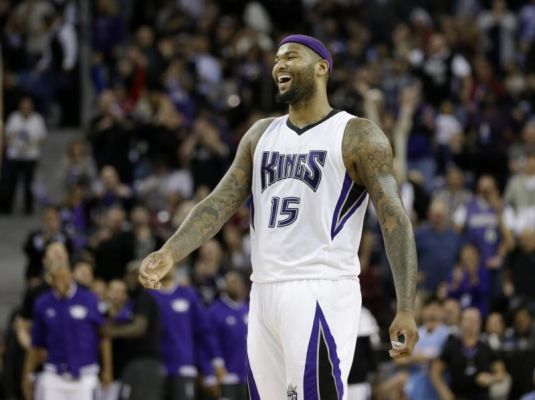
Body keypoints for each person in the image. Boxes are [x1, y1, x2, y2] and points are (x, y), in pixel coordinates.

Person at [139, 34, 419, 399]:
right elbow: (219, 202)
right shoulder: (260, 135)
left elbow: (394, 219)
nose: (279, 65)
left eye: (291, 57)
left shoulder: (357, 135)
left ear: (322, 68)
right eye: (276, 59)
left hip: (321, 286)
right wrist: (170, 251)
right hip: (264, 290)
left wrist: (407, 307)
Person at [21, 261, 112, 400]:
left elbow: (104, 336)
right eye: (56, 278)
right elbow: (36, 343)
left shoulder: (89, 299)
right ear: (50, 280)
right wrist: (28, 374)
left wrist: (107, 369)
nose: (61, 282)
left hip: (85, 374)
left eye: (64, 277)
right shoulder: (43, 303)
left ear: (71, 275)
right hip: (54, 374)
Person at [431, 307, 508, 400]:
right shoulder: (452, 346)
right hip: (458, 396)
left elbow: (501, 372)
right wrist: (444, 392)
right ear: (461, 322)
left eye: (476, 320)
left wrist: (491, 378)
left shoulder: (486, 347)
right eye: (469, 320)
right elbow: (435, 371)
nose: (473, 323)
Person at [208, 271, 250, 400]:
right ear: (224, 286)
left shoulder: (248, 309)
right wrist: (217, 365)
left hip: (247, 375)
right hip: (227, 373)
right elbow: (211, 340)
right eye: (231, 282)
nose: (235, 286)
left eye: (238, 282)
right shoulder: (215, 311)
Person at [3, 95, 47, 214]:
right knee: (10, 182)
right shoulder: (14, 118)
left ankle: (28, 208)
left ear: (31, 107)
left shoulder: (38, 119)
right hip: (14, 156)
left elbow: (42, 138)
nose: (26, 109)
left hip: (30, 156)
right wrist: (13, 142)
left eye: (28, 107)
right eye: (24, 107)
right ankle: (7, 208)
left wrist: (32, 144)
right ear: (20, 107)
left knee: (29, 184)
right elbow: (7, 135)